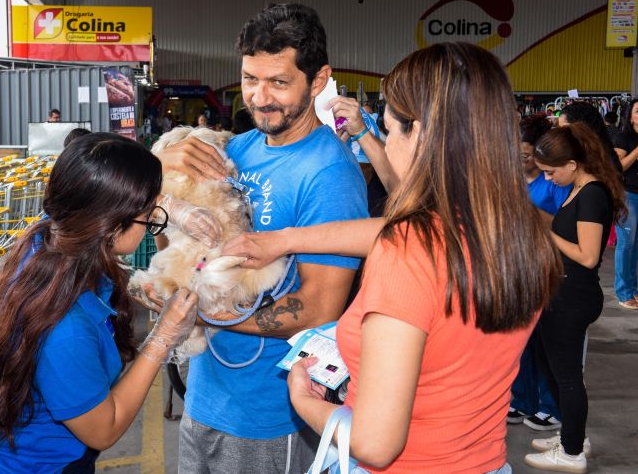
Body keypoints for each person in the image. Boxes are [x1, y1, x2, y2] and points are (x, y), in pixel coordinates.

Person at [224, 42, 561, 473]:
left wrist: (301, 397)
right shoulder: (518, 233)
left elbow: (374, 443)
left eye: (386, 129)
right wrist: (284, 240)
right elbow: (388, 231)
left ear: (418, 133)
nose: (385, 142)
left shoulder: (408, 255)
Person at [145, 3, 368, 473]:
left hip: (269, 414)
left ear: (319, 78)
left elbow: (318, 307)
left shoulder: (329, 175)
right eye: (250, 79)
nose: (261, 97)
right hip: (205, 394)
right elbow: (175, 247)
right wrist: (165, 181)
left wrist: (203, 313)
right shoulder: (235, 149)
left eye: (279, 82)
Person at [0, 133, 200, 473]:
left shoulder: (48, 238)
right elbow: (105, 429)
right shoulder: (65, 330)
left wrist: (168, 203)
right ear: (109, 224)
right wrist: (163, 337)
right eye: (148, 212)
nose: (152, 222)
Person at [526, 123, 624, 472]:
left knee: (566, 377)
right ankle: (573, 436)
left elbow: (587, 255)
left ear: (572, 163)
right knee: (553, 368)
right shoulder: (576, 188)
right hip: (562, 291)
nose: (548, 179)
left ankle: (571, 453)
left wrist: (544, 231)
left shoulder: (592, 193)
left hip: (574, 295)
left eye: (551, 172)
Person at [508, 115, 571, 432]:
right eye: (518, 154)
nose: (524, 160)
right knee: (520, 340)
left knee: (546, 343)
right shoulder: (511, 179)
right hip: (518, 268)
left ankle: (550, 406)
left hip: (548, 269)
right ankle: (522, 400)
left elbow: (564, 225)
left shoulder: (554, 181)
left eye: (528, 155)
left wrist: (526, 212)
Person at [612, 98, 638, 310]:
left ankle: (635, 289)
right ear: (630, 116)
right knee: (627, 245)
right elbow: (618, 166)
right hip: (629, 195)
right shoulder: (623, 137)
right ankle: (625, 292)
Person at [558, 102, 621, 172]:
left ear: (582, 126)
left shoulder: (601, 159)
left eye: (565, 128)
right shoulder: (576, 151)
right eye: (560, 129)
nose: (562, 133)